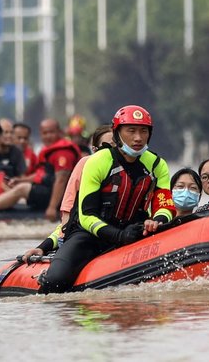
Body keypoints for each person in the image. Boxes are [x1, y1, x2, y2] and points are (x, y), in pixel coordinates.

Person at [35, 105, 176, 294]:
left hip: (134, 232)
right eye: (131, 131)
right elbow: (86, 217)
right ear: (117, 133)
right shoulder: (98, 162)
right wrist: (118, 236)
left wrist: (155, 222)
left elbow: (165, 206)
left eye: (144, 131)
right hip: (89, 237)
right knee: (55, 281)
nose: (138, 138)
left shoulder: (158, 165)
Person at [21, 125, 114, 262]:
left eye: (118, 146)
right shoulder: (85, 164)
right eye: (108, 147)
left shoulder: (135, 167)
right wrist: (47, 245)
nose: (113, 152)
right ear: (94, 149)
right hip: (87, 234)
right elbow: (69, 213)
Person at [0, 119, 81, 222]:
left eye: (51, 132)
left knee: (22, 189)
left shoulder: (62, 152)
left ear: (60, 132)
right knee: (20, 186)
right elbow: (41, 175)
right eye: (44, 133)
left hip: (63, 197)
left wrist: (52, 208)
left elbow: (61, 180)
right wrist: (20, 180)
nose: (48, 136)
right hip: (48, 191)